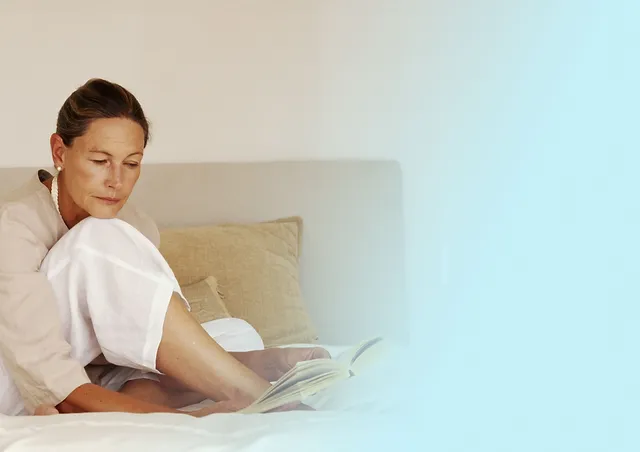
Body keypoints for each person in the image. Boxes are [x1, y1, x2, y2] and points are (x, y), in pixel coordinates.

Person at [0, 78, 329, 417]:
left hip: (89, 373)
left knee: (234, 332)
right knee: (99, 237)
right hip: (18, 378)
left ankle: (257, 367)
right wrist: (183, 419)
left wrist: (257, 358)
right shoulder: (13, 227)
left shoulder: (134, 226)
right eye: (100, 161)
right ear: (60, 152)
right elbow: (48, 377)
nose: (117, 181)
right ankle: (256, 393)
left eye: (131, 163)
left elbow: (139, 339)